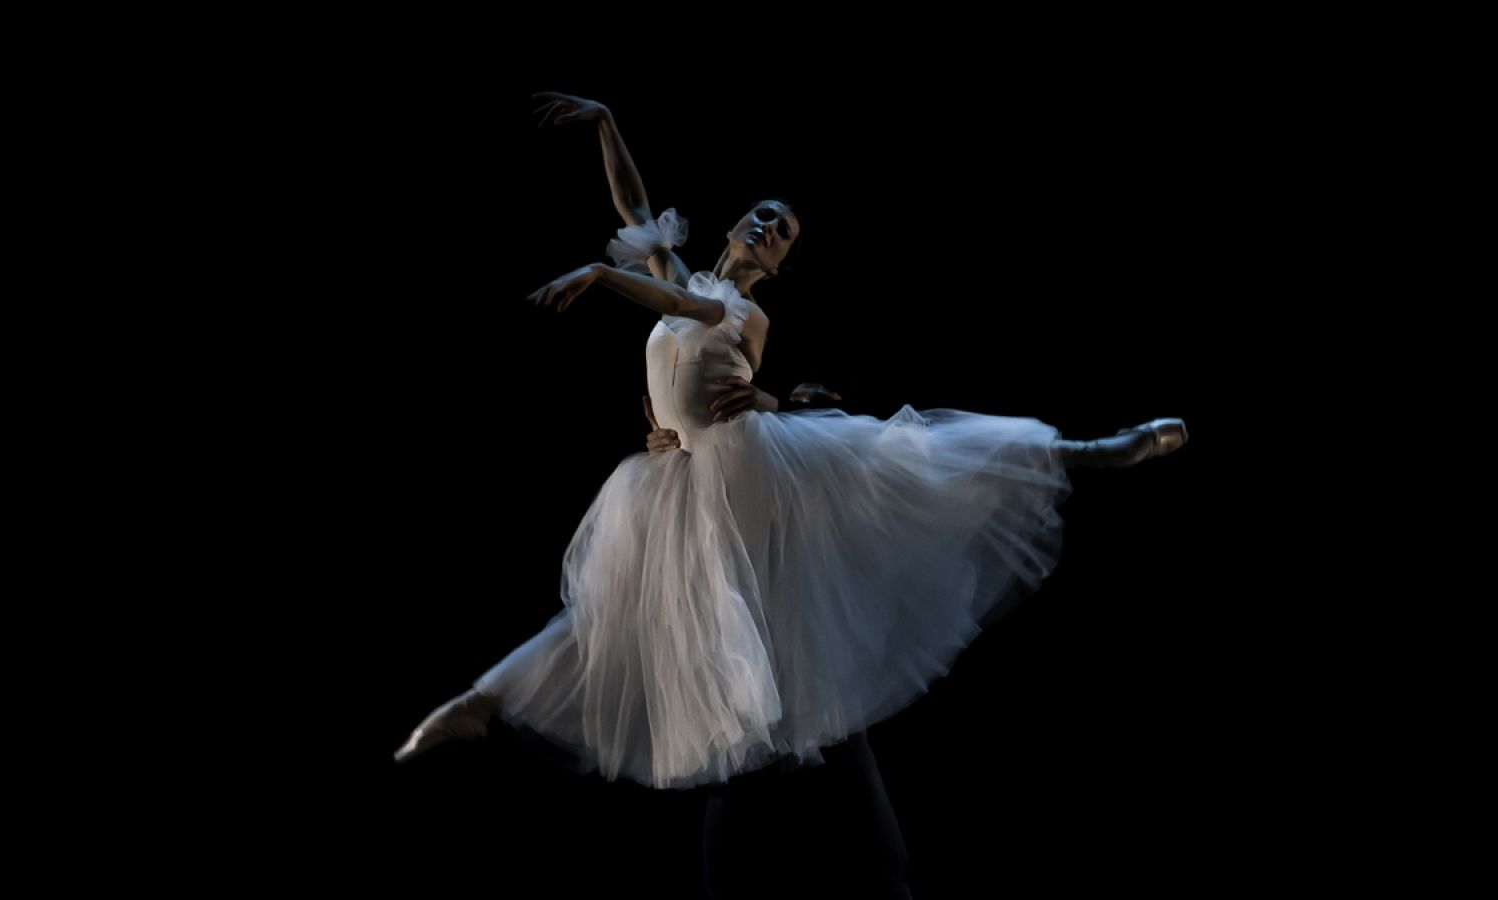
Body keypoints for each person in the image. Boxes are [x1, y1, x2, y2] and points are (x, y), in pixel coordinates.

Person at [395, 93, 1188, 895]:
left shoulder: (746, 312)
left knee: (906, 460)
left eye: (784, 236)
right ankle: (486, 700)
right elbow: (634, 207)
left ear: (777, 266)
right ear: (738, 223)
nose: (770, 230)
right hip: (680, 485)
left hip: (753, 477)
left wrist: (604, 276)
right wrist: (606, 122)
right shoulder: (681, 272)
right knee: (636, 623)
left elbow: (688, 309)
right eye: (764, 217)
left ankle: (1080, 451)